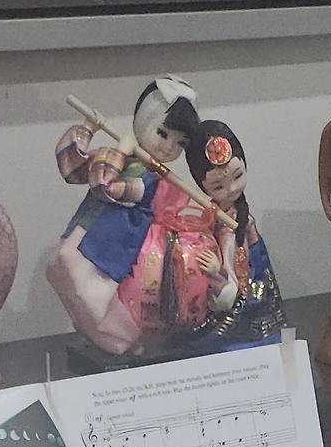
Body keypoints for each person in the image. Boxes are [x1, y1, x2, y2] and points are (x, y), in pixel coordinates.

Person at [46, 75, 200, 354]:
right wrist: (88, 128)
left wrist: (119, 152)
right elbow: (73, 168)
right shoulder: (127, 159)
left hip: (112, 238)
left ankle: (117, 340)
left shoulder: (151, 178)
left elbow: (107, 186)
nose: (168, 147)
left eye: (180, 143)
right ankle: (91, 331)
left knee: (93, 288)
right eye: (163, 134)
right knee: (63, 268)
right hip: (90, 225)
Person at [114, 117, 285, 351]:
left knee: (210, 340)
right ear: (202, 185)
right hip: (216, 295)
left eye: (238, 176)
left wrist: (217, 273)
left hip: (243, 293)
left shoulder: (237, 224)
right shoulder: (210, 214)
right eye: (218, 186)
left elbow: (240, 274)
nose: (231, 189)